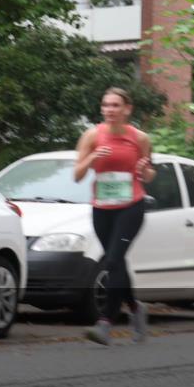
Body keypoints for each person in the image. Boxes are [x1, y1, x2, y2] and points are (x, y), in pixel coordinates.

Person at [73, 87, 156, 345]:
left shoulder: (139, 138)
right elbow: (77, 175)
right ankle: (135, 308)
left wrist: (144, 169)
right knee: (117, 263)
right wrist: (93, 157)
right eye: (106, 105)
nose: (110, 110)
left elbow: (150, 175)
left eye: (116, 105)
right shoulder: (92, 135)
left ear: (127, 109)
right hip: (102, 207)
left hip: (131, 205)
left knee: (112, 260)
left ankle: (105, 323)